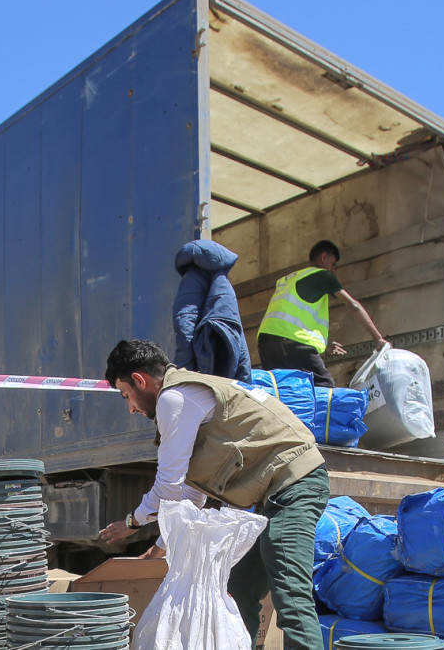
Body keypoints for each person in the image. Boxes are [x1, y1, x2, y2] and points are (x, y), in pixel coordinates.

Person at [96, 340, 329, 650]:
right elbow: (191, 495)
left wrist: (132, 522)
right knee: (238, 584)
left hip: (294, 485)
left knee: (289, 590)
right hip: (270, 497)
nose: (132, 408)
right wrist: (159, 548)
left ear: (139, 380)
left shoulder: (174, 398)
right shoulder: (190, 398)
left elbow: (168, 485)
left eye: (127, 395)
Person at [256, 240, 387, 387]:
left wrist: (326, 344)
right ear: (324, 257)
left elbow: (294, 317)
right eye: (333, 264)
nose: (333, 270)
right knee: (323, 386)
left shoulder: (291, 278)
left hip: (266, 342)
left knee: (282, 390)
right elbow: (353, 305)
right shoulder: (322, 275)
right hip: (290, 341)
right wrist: (378, 338)